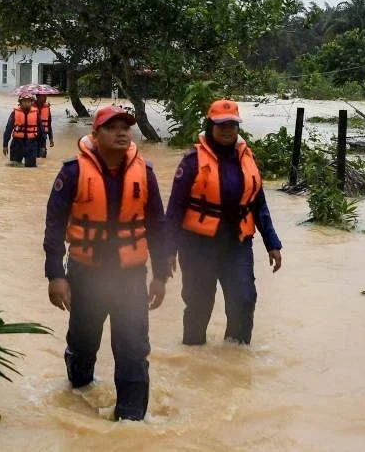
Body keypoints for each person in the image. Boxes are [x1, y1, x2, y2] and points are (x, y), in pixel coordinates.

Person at [43, 105, 170, 421]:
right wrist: (55, 276)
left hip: (130, 278)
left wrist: (161, 276)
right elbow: (53, 227)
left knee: (133, 350)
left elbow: (157, 225)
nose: (122, 133)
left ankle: (131, 421)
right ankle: (78, 389)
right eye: (112, 128)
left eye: (126, 127)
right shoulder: (72, 172)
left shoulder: (145, 172)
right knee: (84, 344)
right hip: (86, 275)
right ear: (95, 134)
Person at [165, 99, 283, 346]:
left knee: (244, 301)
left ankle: (235, 360)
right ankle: (194, 359)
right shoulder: (192, 161)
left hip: (237, 245)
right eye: (221, 124)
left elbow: (258, 203)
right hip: (198, 246)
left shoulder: (246, 158)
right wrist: (167, 251)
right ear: (210, 125)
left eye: (232, 124)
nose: (227, 129)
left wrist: (272, 242)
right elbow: (175, 209)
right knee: (199, 305)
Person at [3, 92, 42, 167]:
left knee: (31, 167)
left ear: (31, 102)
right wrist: (5, 145)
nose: (26, 103)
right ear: (20, 102)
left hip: (32, 143)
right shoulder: (14, 113)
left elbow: (41, 130)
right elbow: (8, 129)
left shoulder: (36, 114)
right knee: (15, 166)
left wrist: (42, 146)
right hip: (17, 143)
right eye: (24, 101)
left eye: (28, 101)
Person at [35, 93, 54, 158]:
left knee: (43, 155)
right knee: (34, 155)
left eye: (46, 96)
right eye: (43, 96)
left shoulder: (47, 108)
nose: (45, 98)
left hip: (43, 135)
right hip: (33, 136)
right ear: (37, 97)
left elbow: (48, 124)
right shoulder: (30, 107)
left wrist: (51, 138)